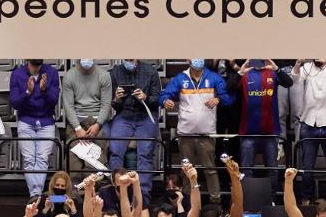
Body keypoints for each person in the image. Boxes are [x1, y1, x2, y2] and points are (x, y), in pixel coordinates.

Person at [161, 59, 232, 199]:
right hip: (185, 134)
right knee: (187, 170)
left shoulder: (213, 77)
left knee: (210, 169)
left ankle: (215, 201)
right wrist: (165, 101)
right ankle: (188, 201)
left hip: (207, 134)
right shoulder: (180, 78)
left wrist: (218, 99)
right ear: (188, 59)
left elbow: (227, 98)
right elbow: (164, 95)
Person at [235, 59, 291, 198]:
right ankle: (247, 198)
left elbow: (289, 82)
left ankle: (271, 197)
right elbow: (229, 89)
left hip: (270, 131)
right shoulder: (246, 75)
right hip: (248, 132)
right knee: (246, 168)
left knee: (272, 168)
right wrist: (240, 72)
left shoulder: (272, 73)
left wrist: (277, 68)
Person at [107, 58, 161, 202]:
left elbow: (158, 99)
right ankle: (116, 191)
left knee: (145, 155)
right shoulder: (115, 72)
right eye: (126, 59)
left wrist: (145, 97)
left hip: (145, 116)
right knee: (115, 152)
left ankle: (143, 197)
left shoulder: (151, 71)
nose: (129, 61)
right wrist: (117, 99)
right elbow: (114, 106)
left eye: (131, 58)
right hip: (124, 115)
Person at [293, 58, 326, 205]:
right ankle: (306, 199)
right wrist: (298, 63)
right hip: (309, 122)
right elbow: (294, 79)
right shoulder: (307, 67)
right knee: (307, 166)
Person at [10, 59, 62, 199]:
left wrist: (44, 90)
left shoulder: (51, 72)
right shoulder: (17, 74)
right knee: (29, 160)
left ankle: (35, 196)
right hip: (26, 121)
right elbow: (15, 103)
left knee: (42, 159)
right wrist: (28, 91)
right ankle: (36, 195)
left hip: (46, 122)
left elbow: (54, 100)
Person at [62, 58, 113, 174]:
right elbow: (68, 106)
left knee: (95, 164)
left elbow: (106, 105)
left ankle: (92, 191)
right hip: (76, 124)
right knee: (73, 164)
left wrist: (98, 125)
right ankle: (75, 191)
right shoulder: (69, 76)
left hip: (97, 123)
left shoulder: (104, 76)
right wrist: (78, 128)